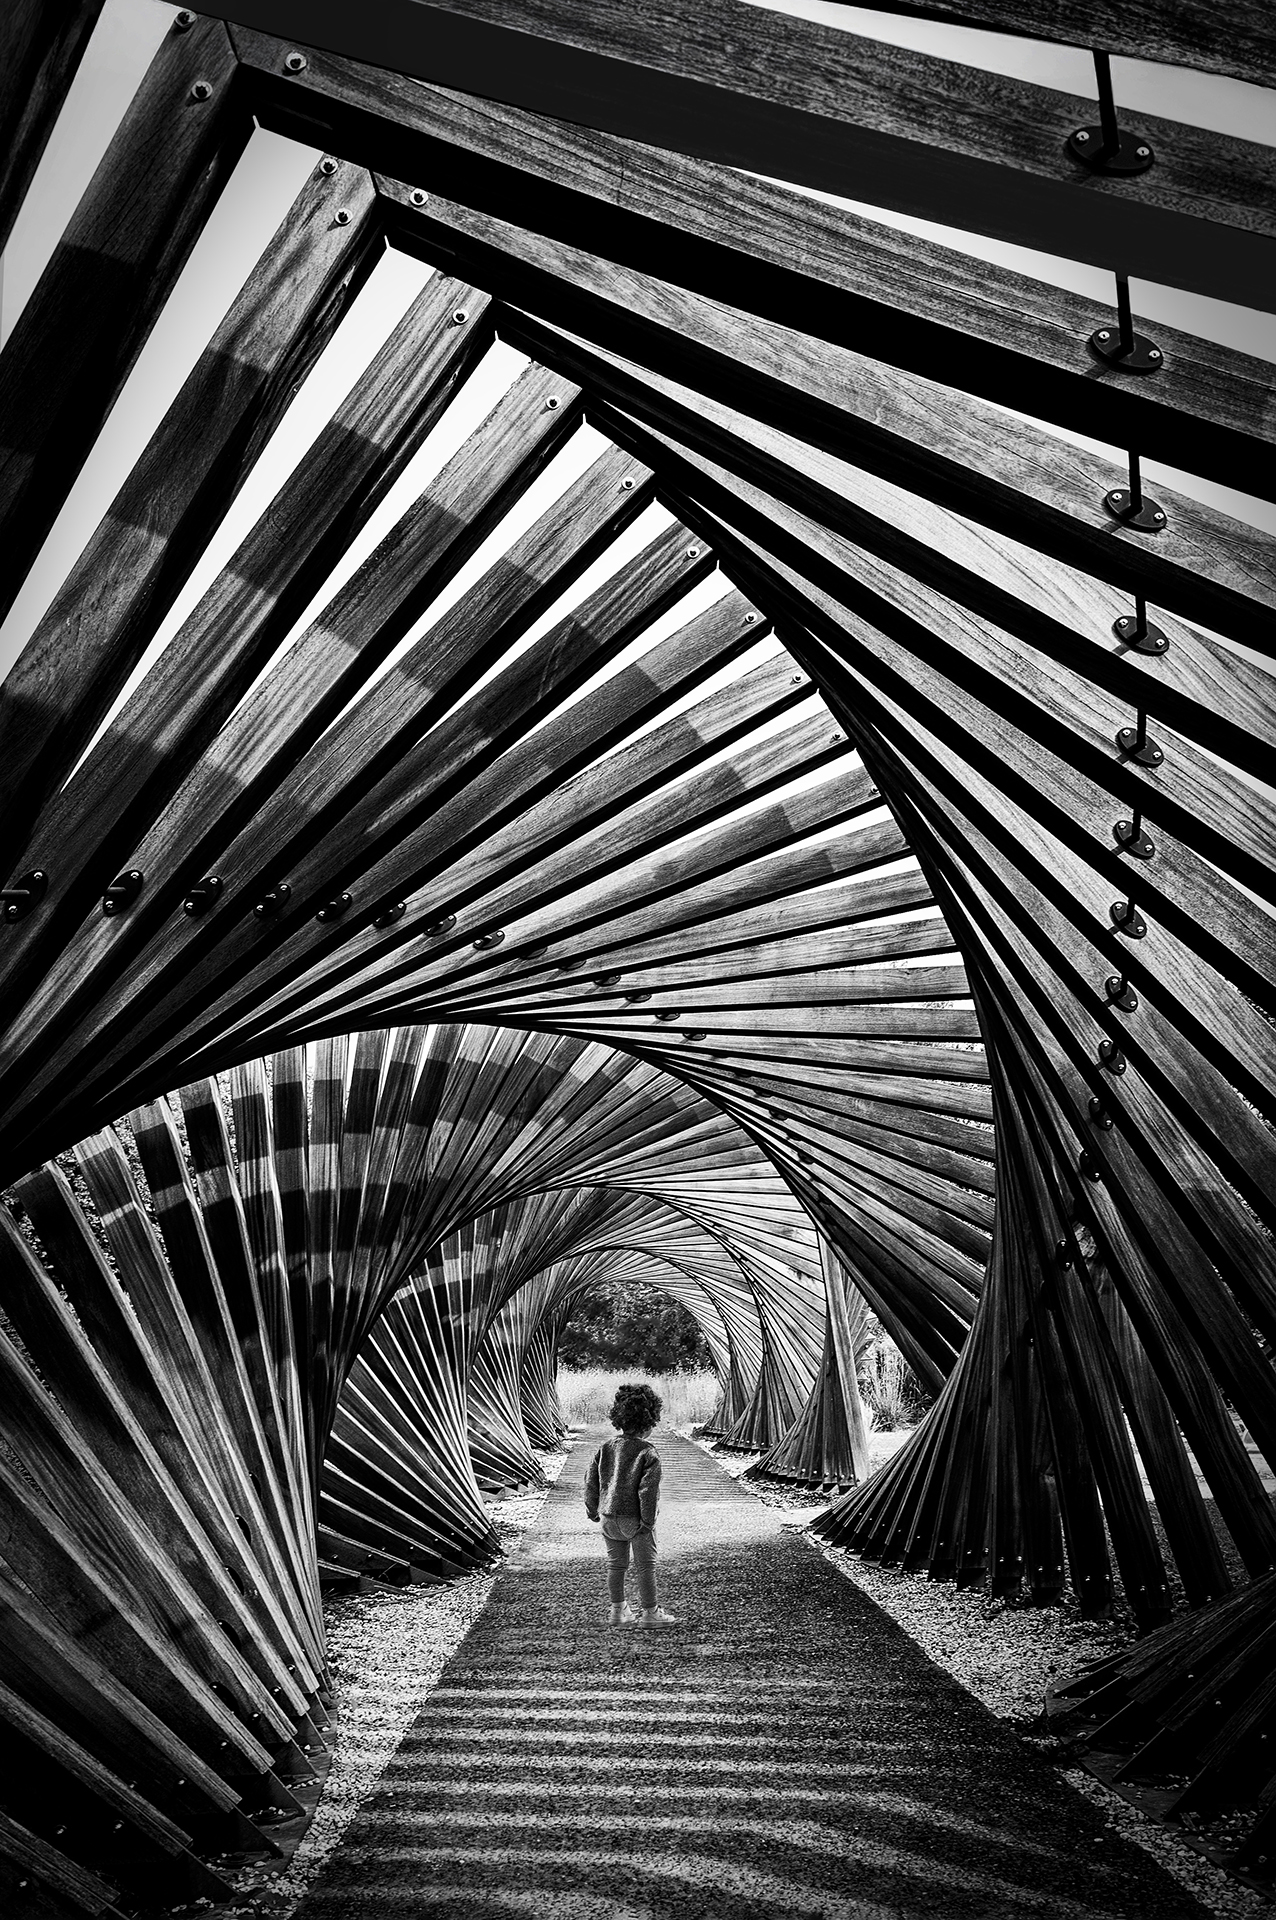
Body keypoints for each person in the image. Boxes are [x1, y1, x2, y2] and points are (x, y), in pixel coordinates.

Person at [584, 1381, 679, 1627]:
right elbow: (648, 1491)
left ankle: (618, 1611)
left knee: (616, 1565)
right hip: (635, 1520)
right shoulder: (647, 1452)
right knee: (646, 1566)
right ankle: (650, 1613)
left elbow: (591, 1480)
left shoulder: (606, 1447)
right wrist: (648, 1521)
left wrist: (592, 1510)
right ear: (649, 1422)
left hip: (608, 1517)